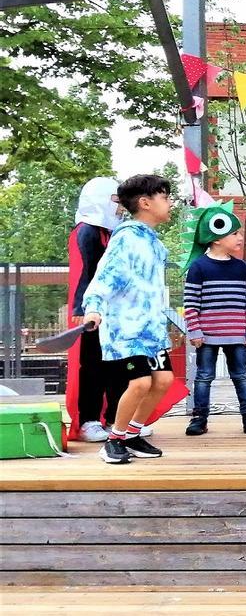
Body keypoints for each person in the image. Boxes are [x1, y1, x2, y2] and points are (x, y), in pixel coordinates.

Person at [81, 174, 175, 464]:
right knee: (140, 384)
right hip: (126, 329)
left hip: (151, 329)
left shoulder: (153, 242)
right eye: (165, 197)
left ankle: (132, 434)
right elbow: (103, 277)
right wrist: (93, 306)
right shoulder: (125, 238)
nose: (170, 203)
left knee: (163, 380)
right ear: (145, 203)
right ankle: (114, 440)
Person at [180, 201, 246, 436]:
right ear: (216, 237)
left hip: (237, 335)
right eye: (234, 233)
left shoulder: (241, 268)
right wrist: (194, 331)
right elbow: (191, 304)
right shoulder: (199, 267)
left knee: (241, 375)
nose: (239, 237)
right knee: (204, 377)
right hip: (207, 337)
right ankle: (199, 419)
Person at [66, 177, 127, 443]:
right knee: (91, 366)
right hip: (91, 313)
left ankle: (114, 418)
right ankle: (89, 419)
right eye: (115, 201)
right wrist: (82, 308)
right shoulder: (87, 232)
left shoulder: (110, 234)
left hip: (110, 313)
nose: (120, 207)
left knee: (114, 366)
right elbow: (83, 272)